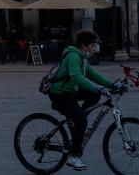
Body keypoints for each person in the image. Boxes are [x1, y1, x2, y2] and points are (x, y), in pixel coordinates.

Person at [47, 30, 117, 172]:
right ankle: (74, 156)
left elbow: (93, 74)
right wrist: (98, 89)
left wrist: (112, 85)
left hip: (70, 91)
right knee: (82, 121)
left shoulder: (82, 58)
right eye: (93, 45)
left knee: (93, 97)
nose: (94, 48)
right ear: (84, 46)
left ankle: (77, 119)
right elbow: (76, 77)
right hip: (60, 94)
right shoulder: (73, 56)